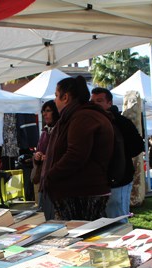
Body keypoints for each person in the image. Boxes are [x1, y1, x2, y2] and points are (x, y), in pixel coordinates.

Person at [42, 77, 112, 221]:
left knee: (81, 237)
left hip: (82, 192)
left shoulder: (82, 116)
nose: (55, 100)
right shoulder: (77, 116)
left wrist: (51, 175)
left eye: (56, 95)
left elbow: (76, 155)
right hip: (78, 190)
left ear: (66, 97)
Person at [90, 87, 143, 223]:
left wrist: (119, 156)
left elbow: (137, 146)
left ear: (109, 103)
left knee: (118, 219)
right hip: (98, 180)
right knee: (102, 222)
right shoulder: (90, 121)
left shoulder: (121, 122)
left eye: (99, 100)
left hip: (119, 180)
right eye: (93, 100)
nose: (95, 103)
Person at [32, 100, 59, 219]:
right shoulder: (44, 132)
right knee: (44, 216)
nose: (45, 114)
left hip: (57, 179)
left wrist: (51, 157)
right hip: (44, 179)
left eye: (48, 111)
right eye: (43, 111)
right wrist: (37, 156)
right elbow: (38, 150)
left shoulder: (61, 130)